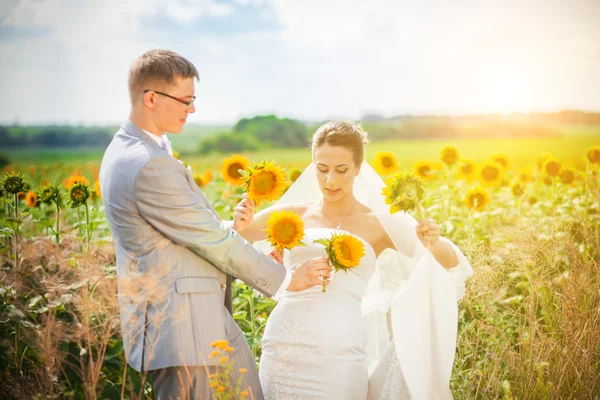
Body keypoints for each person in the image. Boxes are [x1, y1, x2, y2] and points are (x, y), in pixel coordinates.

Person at [99, 49, 332, 400]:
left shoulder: (126, 150)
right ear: (151, 98)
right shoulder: (149, 164)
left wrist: (231, 227)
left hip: (187, 321)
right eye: (185, 100)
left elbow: (179, 231)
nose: (192, 110)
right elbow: (211, 240)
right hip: (187, 328)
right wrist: (285, 280)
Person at [233, 121, 473, 399]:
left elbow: (451, 262)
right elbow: (228, 241)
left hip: (341, 353)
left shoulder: (379, 223)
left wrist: (432, 239)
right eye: (322, 170)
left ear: (358, 168)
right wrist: (240, 222)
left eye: (341, 170)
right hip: (284, 348)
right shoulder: (291, 214)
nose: (330, 180)